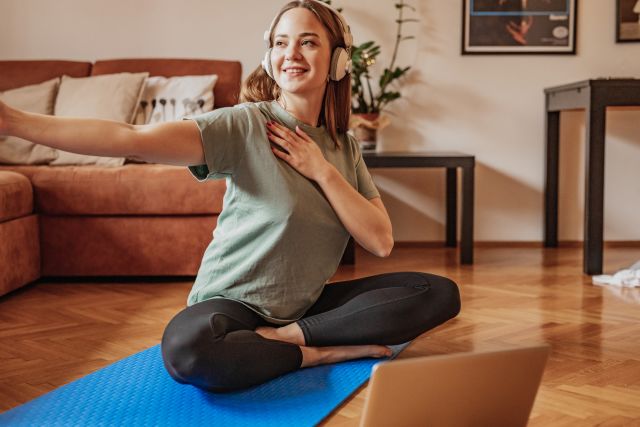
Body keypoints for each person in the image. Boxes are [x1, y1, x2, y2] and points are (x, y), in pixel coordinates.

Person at [0, 0, 460, 392]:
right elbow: (128, 136)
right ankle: (317, 354)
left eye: (307, 42)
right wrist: (14, 122)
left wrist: (320, 169)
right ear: (269, 54)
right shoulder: (244, 125)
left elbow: (380, 240)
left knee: (438, 292)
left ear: (339, 61)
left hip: (303, 307)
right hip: (232, 309)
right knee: (187, 351)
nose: (290, 54)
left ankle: (287, 340)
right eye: (280, 42)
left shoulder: (344, 147)